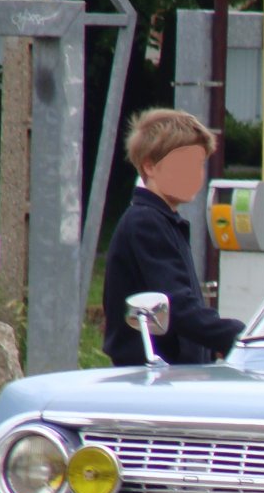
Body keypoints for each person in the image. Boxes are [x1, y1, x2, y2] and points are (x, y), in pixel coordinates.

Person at [102, 108, 245, 367]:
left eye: (199, 164)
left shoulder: (164, 221)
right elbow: (176, 306)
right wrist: (242, 338)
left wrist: (212, 350)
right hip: (149, 379)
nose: (196, 174)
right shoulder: (145, 223)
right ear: (150, 166)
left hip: (175, 375)